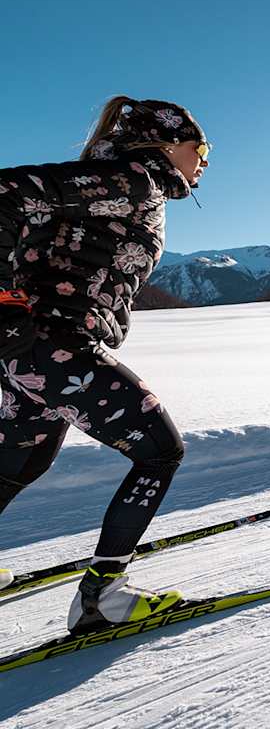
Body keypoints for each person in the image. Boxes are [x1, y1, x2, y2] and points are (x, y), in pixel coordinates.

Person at [0, 96, 209, 633]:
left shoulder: (116, 183)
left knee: (21, 463)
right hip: (54, 346)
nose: (205, 161)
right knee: (160, 451)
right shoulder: (132, 179)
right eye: (202, 148)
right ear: (168, 144)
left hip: (29, 352)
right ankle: (103, 598)